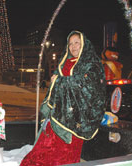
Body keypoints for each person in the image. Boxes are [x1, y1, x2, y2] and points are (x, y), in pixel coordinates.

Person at [20, 31, 106, 165]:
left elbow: (89, 85)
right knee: (44, 149)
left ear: (84, 44)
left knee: (65, 153)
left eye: (77, 42)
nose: (73, 46)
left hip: (76, 117)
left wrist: (60, 81)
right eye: (70, 43)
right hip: (57, 115)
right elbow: (54, 86)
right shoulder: (64, 62)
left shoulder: (91, 63)